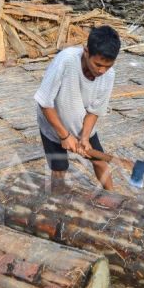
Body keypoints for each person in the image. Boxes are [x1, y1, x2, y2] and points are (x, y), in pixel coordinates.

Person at [34, 25, 120, 190]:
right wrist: (65, 136)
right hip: (52, 124)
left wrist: (85, 138)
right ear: (86, 52)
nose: (102, 71)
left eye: (108, 66)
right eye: (98, 64)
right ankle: (56, 202)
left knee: (100, 162)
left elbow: (94, 111)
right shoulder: (65, 61)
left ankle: (114, 199)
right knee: (59, 168)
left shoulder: (109, 75)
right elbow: (44, 102)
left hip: (80, 123)